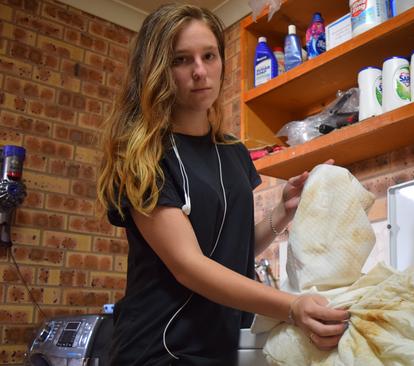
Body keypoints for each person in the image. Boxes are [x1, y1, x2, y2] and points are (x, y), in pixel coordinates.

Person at [96, 4, 349, 365]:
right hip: (159, 348)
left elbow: (232, 250)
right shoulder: (142, 155)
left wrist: (282, 213)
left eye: (209, 55)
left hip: (220, 344)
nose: (200, 71)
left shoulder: (233, 153)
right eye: (181, 60)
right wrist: (292, 306)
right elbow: (189, 265)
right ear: (157, 70)